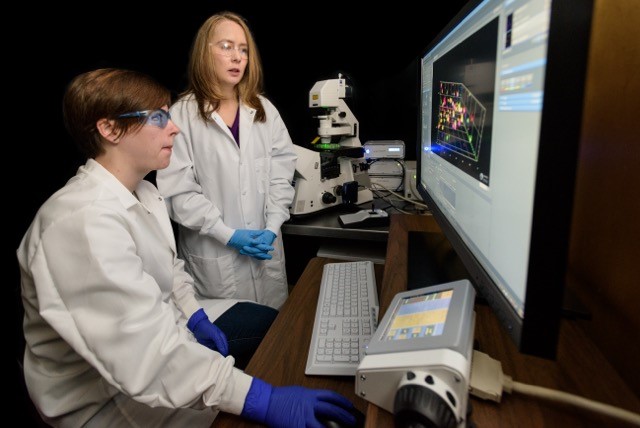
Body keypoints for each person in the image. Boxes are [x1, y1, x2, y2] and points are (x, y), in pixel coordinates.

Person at [17, 68, 356, 427]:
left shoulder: (144, 192)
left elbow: (169, 268)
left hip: (159, 334)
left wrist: (194, 315)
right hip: (106, 400)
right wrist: (262, 399)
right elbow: (147, 357)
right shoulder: (79, 222)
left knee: (271, 325)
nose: (174, 127)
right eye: (159, 117)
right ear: (110, 129)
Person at [156, 11, 297, 310]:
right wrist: (227, 235)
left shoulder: (264, 110)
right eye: (226, 46)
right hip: (215, 261)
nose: (237, 57)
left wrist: (271, 228)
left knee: (275, 336)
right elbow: (177, 191)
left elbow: (281, 175)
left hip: (266, 252)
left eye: (243, 49)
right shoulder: (182, 115)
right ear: (204, 53)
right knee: (233, 344)